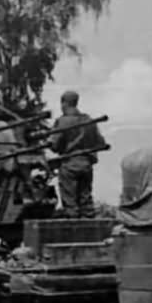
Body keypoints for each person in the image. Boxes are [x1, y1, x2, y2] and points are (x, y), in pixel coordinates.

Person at [49, 90, 106, 218]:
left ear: (64, 103)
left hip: (69, 165)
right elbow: (101, 143)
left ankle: (72, 227)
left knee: (70, 203)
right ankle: (89, 227)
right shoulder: (89, 120)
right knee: (86, 201)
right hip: (86, 164)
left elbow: (54, 145)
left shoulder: (62, 121)